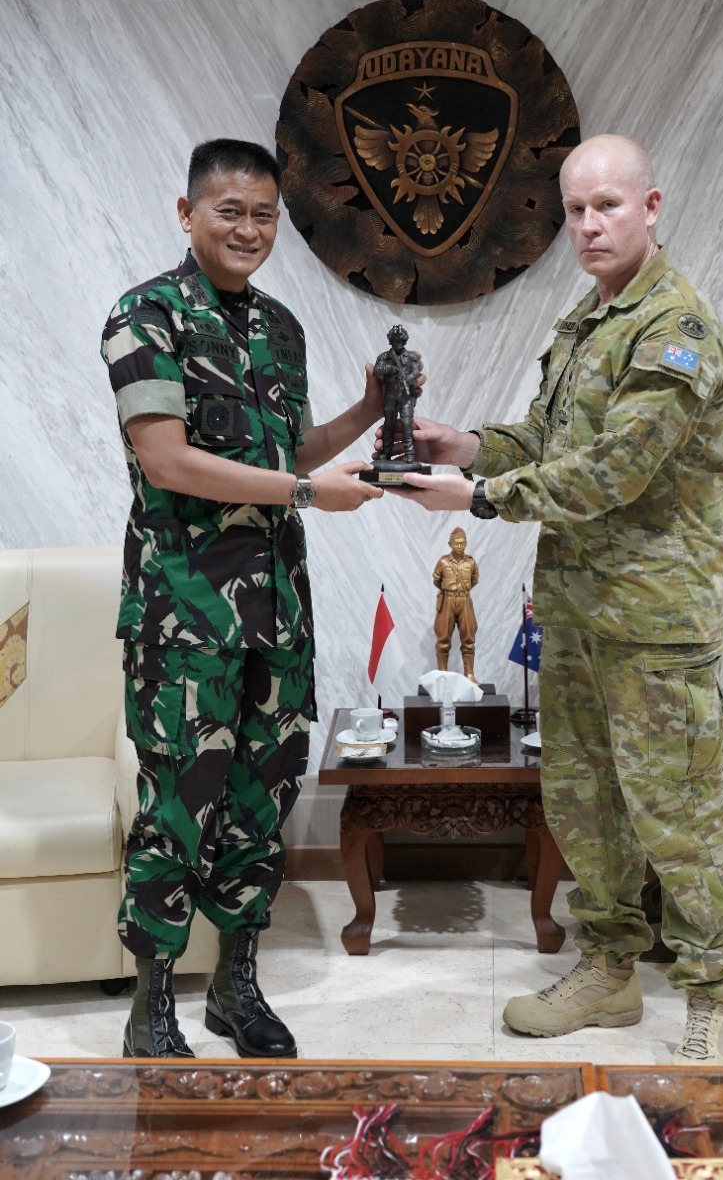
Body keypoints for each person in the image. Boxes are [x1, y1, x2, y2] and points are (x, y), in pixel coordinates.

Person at [385, 134, 723, 1066]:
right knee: (584, 805)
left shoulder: (673, 329)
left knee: (674, 813)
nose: (588, 226)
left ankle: (713, 996)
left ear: (650, 207)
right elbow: (551, 443)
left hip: (653, 624)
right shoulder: (588, 321)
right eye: (576, 210)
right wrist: (466, 447)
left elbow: (614, 470)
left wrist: (477, 499)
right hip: (578, 613)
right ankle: (609, 971)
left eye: (607, 207)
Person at [101, 138, 398, 1061]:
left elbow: (284, 454)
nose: (247, 229)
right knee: (176, 808)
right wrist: (310, 493)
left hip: (277, 613)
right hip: (185, 619)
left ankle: (236, 987)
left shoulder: (279, 327)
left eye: (263, 215)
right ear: (186, 213)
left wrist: (364, 415)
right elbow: (168, 460)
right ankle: (151, 1002)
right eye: (229, 211)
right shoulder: (146, 315)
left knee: (260, 805)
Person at [433, 527, 480, 681]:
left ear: (466, 543)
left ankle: (469, 675)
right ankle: (442, 675)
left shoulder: (471, 562)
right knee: (443, 639)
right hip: (447, 600)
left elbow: (474, 579)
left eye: (462, 543)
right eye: (456, 543)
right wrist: (449, 591)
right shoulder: (443, 562)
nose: (459, 546)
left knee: (469, 638)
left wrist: (462, 592)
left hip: (465, 601)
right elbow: (437, 580)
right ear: (450, 544)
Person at [373, 323, 422, 461]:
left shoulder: (411, 357)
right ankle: (386, 452)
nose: (398, 343)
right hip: (390, 394)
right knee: (389, 424)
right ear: (391, 341)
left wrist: (407, 379)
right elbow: (377, 370)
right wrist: (391, 369)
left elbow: (416, 371)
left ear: (405, 341)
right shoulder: (384, 356)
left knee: (406, 424)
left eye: (400, 341)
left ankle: (410, 453)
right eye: (395, 341)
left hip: (406, 395)